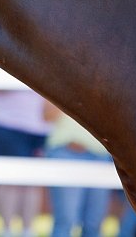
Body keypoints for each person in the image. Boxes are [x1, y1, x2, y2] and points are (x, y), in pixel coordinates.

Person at [0, 90, 51, 237]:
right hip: (7, 122)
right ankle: (7, 230)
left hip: (40, 125)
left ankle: (28, 230)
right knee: (9, 179)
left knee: (33, 181)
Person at [43, 100, 112, 237]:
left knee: (94, 222)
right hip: (65, 153)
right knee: (66, 220)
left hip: (99, 155)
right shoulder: (62, 82)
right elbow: (46, 115)